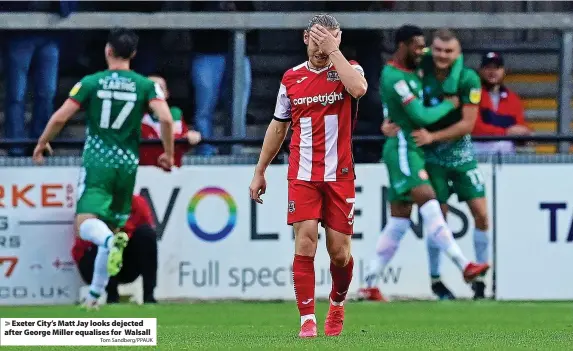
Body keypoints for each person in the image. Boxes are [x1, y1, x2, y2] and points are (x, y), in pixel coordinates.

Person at [32, 28, 175, 310]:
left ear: (108, 51)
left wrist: (42, 142)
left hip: (98, 162)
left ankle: (105, 249)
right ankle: (95, 295)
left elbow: (61, 117)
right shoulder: (145, 85)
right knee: (111, 231)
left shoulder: (92, 82)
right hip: (126, 164)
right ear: (133, 54)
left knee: (86, 225)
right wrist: (168, 154)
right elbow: (167, 120)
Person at [249, 14, 367, 338]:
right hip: (302, 172)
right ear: (305, 38)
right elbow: (278, 125)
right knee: (305, 242)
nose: (321, 47)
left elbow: (358, 89)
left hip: (340, 174)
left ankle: (338, 302)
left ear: (338, 39)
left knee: (340, 253)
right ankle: (307, 320)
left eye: (328, 39)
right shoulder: (291, 79)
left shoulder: (348, 70)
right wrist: (260, 170)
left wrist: (334, 51)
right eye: (317, 39)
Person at [357, 25, 488, 301]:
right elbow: (422, 116)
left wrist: (388, 116)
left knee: (399, 221)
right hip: (405, 148)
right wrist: (450, 105)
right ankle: (463, 265)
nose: (424, 52)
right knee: (430, 205)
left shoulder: (417, 69)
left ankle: (368, 283)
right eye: (418, 46)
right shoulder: (397, 77)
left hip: (412, 149)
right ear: (403, 45)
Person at [73, 195, 159, 304]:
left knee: (147, 234)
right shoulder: (91, 205)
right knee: (107, 238)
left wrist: (125, 234)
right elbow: (84, 239)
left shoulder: (137, 202)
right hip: (92, 263)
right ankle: (112, 296)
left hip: (125, 264)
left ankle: (149, 296)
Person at [472, 51, 531, 155]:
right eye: (488, 67)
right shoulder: (473, 93)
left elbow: (520, 125)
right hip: (477, 151)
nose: (492, 71)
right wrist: (506, 132)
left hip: (506, 155)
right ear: (481, 71)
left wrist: (525, 132)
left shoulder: (513, 98)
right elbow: (474, 127)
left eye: (497, 67)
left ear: (504, 71)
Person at [140, 74, 202, 167]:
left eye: (160, 89)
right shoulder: (136, 117)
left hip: (172, 174)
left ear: (167, 93)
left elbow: (182, 145)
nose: (156, 93)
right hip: (146, 174)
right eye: (151, 89)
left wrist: (190, 137)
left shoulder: (175, 114)